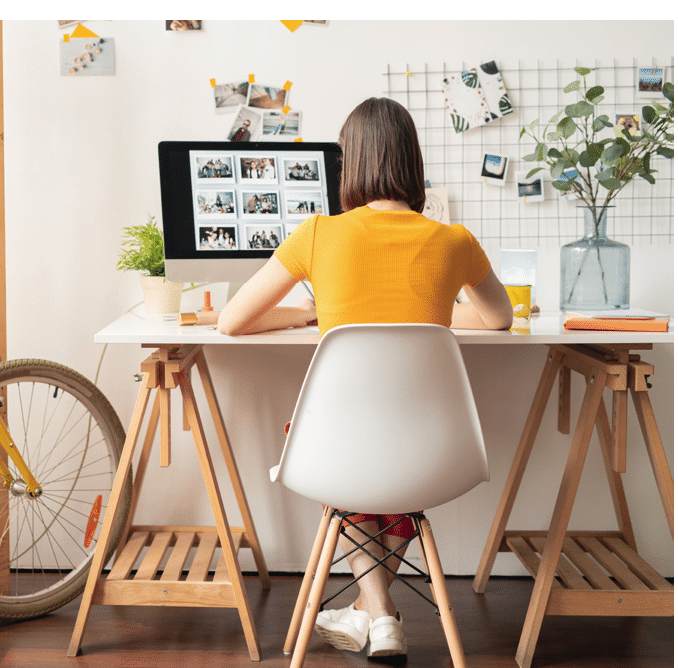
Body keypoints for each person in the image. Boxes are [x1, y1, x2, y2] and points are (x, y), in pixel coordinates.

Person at [218, 97, 512, 658]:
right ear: (414, 163)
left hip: (337, 451)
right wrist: (441, 311)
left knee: (336, 449)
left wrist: (313, 311)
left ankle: (375, 617)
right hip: (433, 451)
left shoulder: (317, 235)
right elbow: (501, 317)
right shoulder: (454, 241)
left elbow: (233, 320)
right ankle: (377, 616)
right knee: (395, 459)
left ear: (349, 163)